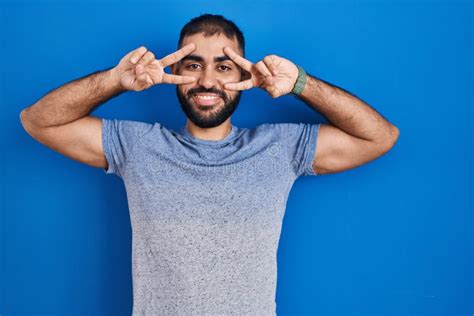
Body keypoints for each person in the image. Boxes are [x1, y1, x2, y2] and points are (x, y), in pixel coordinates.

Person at [20, 13, 399, 316]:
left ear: (244, 76)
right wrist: (116, 80)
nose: (205, 80)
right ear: (176, 73)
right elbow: (38, 121)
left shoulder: (280, 147)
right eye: (193, 65)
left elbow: (379, 136)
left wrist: (300, 83)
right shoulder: (136, 145)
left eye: (223, 67)